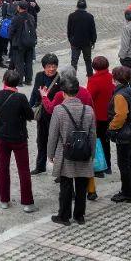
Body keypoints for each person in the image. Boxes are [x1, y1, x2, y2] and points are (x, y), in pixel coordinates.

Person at [47, 74, 96, 225]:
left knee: (66, 186)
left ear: (63, 92)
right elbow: (93, 134)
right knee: (82, 186)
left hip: (65, 152)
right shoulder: (88, 110)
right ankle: (79, 215)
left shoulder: (59, 110)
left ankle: (64, 216)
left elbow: (53, 134)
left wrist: (50, 154)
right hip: (84, 152)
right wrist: (92, 153)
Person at [0, 69, 36, 213]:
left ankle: (4, 200)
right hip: (19, 137)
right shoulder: (20, 98)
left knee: (3, 167)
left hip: (2, 137)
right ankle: (27, 203)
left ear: (4, 81)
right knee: (23, 170)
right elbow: (30, 115)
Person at [108, 65, 131, 202]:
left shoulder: (120, 95)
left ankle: (126, 193)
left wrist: (111, 128)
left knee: (124, 164)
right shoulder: (129, 89)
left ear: (115, 79)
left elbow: (120, 115)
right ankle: (129, 190)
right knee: (129, 162)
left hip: (124, 134)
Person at [28, 54, 61, 175]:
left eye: (54, 66)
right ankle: (40, 166)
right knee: (41, 140)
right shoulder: (39, 76)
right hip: (42, 114)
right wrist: (29, 108)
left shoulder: (59, 79)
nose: (51, 69)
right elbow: (34, 93)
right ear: (44, 67)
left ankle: (59, 170)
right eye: (48, 66)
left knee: (57, 142)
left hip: (55, 114)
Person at [86, 56, 115, 176]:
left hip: (97, 116)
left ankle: (99, 167)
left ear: (94, 67)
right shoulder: (112, 77)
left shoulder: (93, 80)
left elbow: (89, 97)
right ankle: (108, 166)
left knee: (97, 142)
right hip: (110, 114)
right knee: (106, 142)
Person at [9, 1, 37, 86]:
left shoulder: (16, 18)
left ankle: (19, 81)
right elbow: (34, 27)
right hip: (30, 43)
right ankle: (28, 80)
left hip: (19, 44)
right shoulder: (31, 17)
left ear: (18, 8)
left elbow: (11, 31)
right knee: (29, 62)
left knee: (19, 63)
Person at [66, 0, 96, 77]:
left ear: (77, 6)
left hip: (75, 42)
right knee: (88, 60)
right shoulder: (90, 16)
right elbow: (93, 31)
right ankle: (90, 75)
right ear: (85, 6)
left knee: (74, 61)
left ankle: (72, 77)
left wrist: (70, 40)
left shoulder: (71, 16)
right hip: (86, 43)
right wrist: (93, 41)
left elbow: (69, 30)